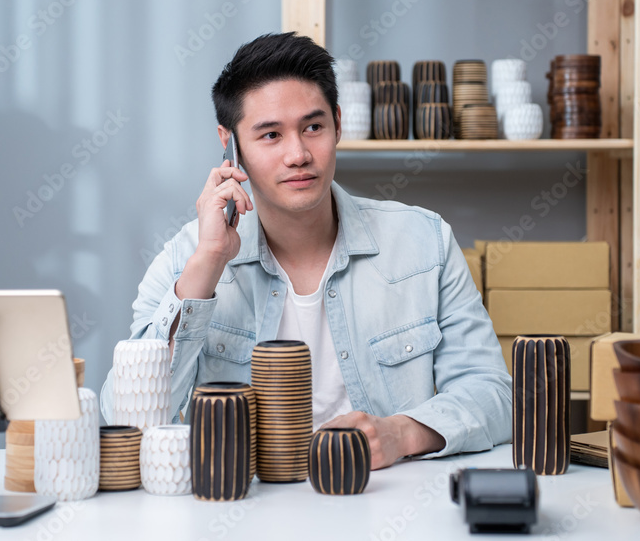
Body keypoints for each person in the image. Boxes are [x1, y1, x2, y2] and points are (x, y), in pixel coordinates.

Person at [103, 32, 512, 469]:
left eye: (313, 127)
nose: (298, 154)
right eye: (271, 135)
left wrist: (399, 433)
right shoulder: (187, 257)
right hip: (243, 511)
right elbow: (127, 419)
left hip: (388, 507)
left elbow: (492, 393)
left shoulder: (423, 240)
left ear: (338, 122)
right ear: (230, 144)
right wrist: (206, 265)